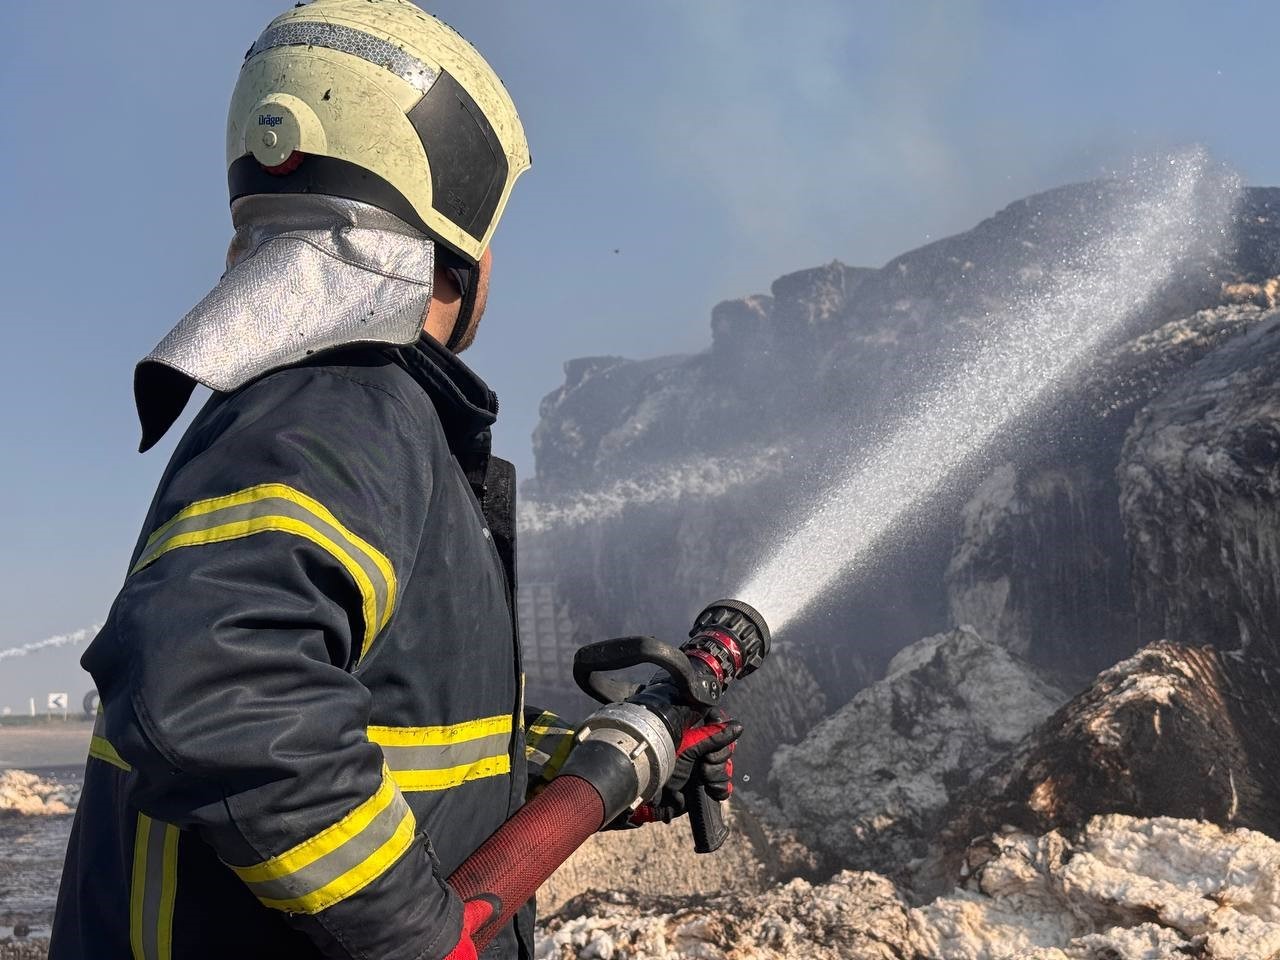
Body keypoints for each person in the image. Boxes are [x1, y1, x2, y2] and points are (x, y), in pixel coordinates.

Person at [49, 3, 740, 959]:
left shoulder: (349, 417)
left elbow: (381, 716)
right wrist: (412, 934)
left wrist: (591, 766)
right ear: (454, 233)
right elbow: (215, 682)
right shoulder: (341, 403)